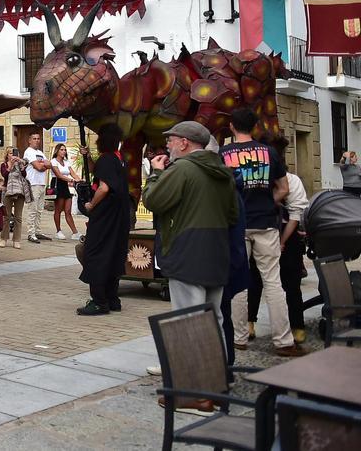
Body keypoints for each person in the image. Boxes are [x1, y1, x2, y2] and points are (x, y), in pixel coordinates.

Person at [220, 109, 300, 357]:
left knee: (238, 282)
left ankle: (239, 337)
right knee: (273, 282)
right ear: (255, 126)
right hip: (266, 223)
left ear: (232, 126)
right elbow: (284, 188)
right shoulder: (270, 152)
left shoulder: (223, 155)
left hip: (237, 225)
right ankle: (284, 340)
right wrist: (269, 201)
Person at [143, 121, 236, 324]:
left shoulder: (182, 168)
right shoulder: (223, 171)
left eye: (170, 140)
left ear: (184, 143)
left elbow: (153, 200)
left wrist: (156, 173)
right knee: (213, 319)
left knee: (188, 321)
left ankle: (193, 357)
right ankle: (216, 356)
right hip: (217, 253)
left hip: (187, 254)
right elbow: (232, 216)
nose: (167, 145)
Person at [246, 136, 311, 345]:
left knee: (270, 280)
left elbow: (294, 215)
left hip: (278, 235)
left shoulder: (281, 180)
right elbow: (296, 214)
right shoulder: (283, 180)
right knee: (280, 282)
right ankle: (293, 327)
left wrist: (281, 241)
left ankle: (254, 324)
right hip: (274, 235)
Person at [76, 124, 133, 315]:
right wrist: (88, 157)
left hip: (106, 216)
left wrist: (92, 204)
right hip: (119, 217)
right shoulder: (118, 159)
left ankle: (99, 301)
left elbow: (104, 187)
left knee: (96, 254)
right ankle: (111, 298)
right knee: (113, 253)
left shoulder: (108, 160)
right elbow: (98, 171)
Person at [0, 148, 31, 249]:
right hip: (8, 191)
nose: (12, 155)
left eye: (14, 153)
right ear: (7, 155)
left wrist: (21, 165)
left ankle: (16, 240)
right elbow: (4, 175)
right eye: (10, 153)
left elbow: (25, 175)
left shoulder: (20, 163)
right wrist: (11, 165)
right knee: (6, 216)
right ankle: (4, 238)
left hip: (19, 191)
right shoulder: (3, 165)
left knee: (18, 217)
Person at [22, 132, 50, 243]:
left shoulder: (40, 153)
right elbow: (39, 167)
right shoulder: (28, 152)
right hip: (32, 183)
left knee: (39, 210)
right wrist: (44, 165)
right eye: (34, 138)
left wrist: (43, 165)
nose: (37, 140)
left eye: (38, 138)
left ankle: (37, 231)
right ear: (29, 140)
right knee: (32, 210)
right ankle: (31, 233)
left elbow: (50, 164)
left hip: (42, 183)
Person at [50, 144, 80, 241]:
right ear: (57, 151)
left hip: (65, 185)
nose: (64, 151)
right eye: (62, 150)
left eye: (65, 150)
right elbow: (59, 175)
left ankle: (75, 232)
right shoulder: (53, 161)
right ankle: (58, 231)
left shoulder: (66, 162)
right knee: (58, 209)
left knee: (68, 210)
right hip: (57, 184)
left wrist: (79, 179)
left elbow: (73, 173)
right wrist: (72, 180)